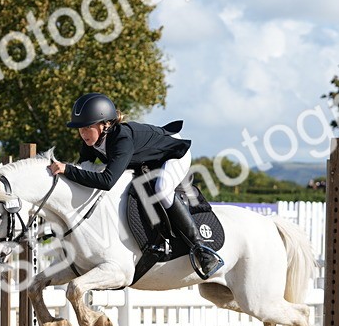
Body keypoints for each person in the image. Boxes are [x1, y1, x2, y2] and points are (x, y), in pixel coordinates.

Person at [47, 92, 224, 278]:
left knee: (162, 190)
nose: (82, 134)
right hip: (146, 160)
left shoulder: (121, 140)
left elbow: (106, 181)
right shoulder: (90, 142)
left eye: (87, 128)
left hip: (172, 154)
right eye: (80, 129)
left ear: (105, 125)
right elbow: (86, 172)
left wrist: (67, 170)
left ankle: (201, 249)